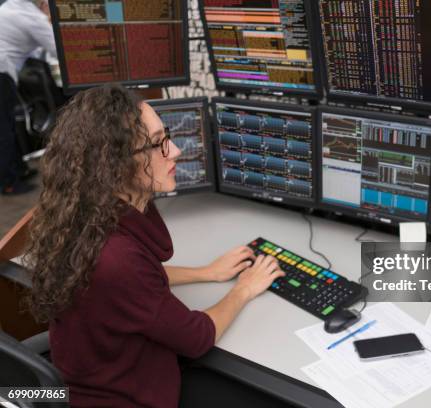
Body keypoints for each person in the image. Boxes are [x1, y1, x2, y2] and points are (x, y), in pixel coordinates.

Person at [24, 84, 286, 407]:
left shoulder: (84, 214)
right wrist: (243, 289)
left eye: (167, 136)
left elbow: (134, 282)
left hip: (86, 377)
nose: (174, 150)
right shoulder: (118, 261)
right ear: (115, 164)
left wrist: (206, 272)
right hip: (123, 397)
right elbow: (196, 337)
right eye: (158, 143)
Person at [0, 0, 56, 195]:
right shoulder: (31, 17)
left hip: (5, 71)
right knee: (4, 129)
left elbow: (32, 48)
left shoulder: (10, 6)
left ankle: (17, 170)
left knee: (8, 124)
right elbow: (58, 49)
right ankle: (8, 182)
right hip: (1, 73)